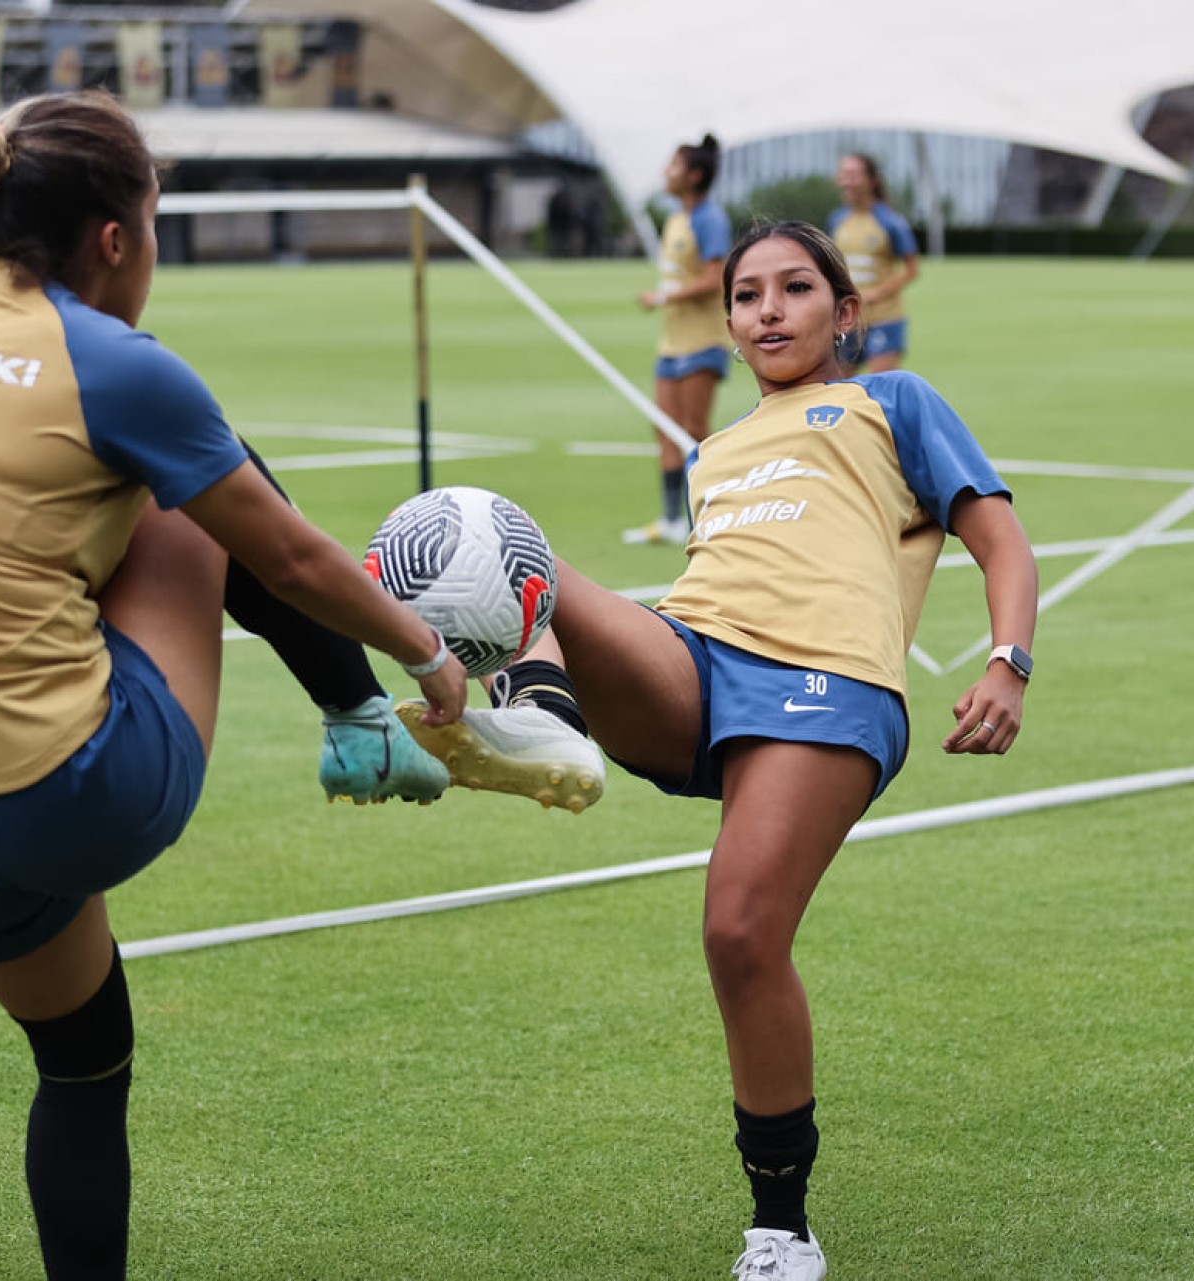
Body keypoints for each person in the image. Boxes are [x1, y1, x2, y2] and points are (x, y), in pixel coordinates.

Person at [0, 91, 469, 1279]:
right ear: (117, 237)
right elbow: (290, 558)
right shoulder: (116, 364)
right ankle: (360, 722)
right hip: (73, 786)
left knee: (82, 1064)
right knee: (201, 481)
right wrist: (428, 658)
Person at [402, 220, 1037, 1279]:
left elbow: (1001, 539)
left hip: (824, 680)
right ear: (730, 323)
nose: (769, 309)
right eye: (748, 295)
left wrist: (1008, 660)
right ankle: (545, 723)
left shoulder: (894, 403)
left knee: (739, 935)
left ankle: (781, 1231)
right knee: (497, 532)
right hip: (692, 657)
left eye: (797, 288)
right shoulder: (719, 450)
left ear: (847, 312)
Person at [627, 134, 731, 545]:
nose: (665, 173)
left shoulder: (709, 219)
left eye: (674, 165)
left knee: (694, 430)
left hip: (702, 341)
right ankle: (671, 519)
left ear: (694, 176)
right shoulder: (676, 219)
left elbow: (715, 277)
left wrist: (663, 298)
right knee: (664, 428)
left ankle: (707, 517)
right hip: (672, 342)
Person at [828, 153, 921, 373]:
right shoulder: (836, 220)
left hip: (884, 318)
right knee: (837, 388)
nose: (846, 181)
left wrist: (874, 294)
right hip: (847, 319)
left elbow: (911, 270)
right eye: (843, 175)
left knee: (880, 387)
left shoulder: (890, 222)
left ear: (872, 180)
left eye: (853, 175)